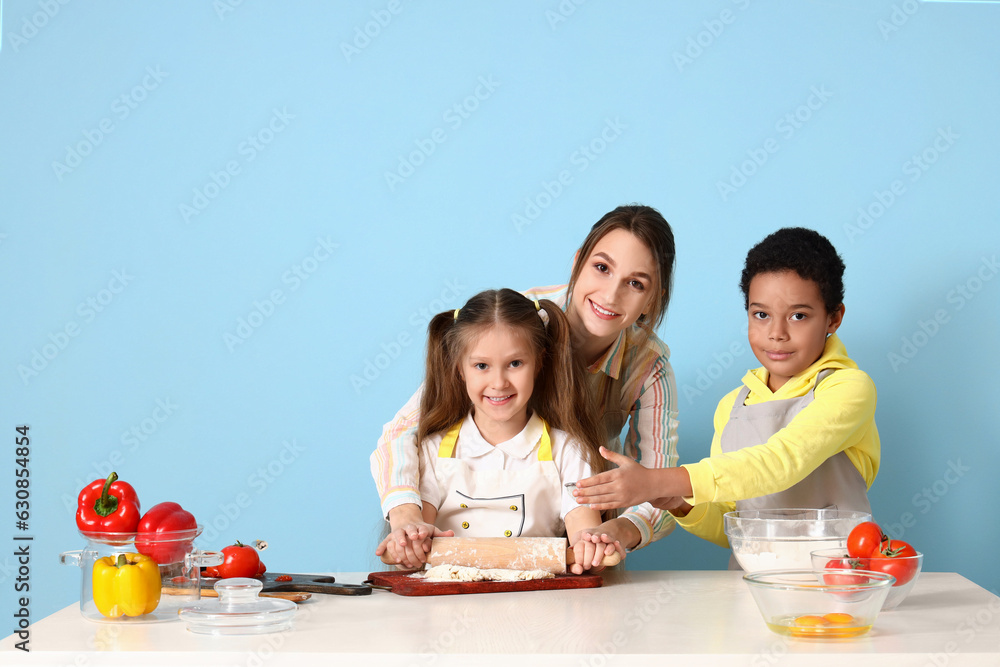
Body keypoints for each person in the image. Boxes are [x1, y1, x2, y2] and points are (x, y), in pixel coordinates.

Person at [371, 205, 680, 568]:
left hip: (561, 555)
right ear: (578, 262)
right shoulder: (512, 320)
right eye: (601, 267)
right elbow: (401, 432)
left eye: (635, 283)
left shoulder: (646, 370)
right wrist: (407, 521)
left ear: (652, 299)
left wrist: (614, 532)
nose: (611, 295)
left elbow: (660, 484)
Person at [573, 227, 879, 555]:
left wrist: (660, 480)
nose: (777, 333)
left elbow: (782, 461)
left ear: (834, 318)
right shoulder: (732, 406)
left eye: (798, 316)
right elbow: (733, 524)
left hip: (836, 581)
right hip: (756, 588)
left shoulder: (848, 387)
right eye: (761, 315)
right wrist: (680, 504)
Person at [378, 288, 618, 573]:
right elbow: (420, 531)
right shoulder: (433, 451)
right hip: (449, 607)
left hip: (539, 605)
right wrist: (408, 544)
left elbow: (583, 528)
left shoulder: (568, 451)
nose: (499, 382)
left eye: (515, 364)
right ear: (459, 369)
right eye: (481, 366)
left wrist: (591, 547)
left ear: (539, 363)